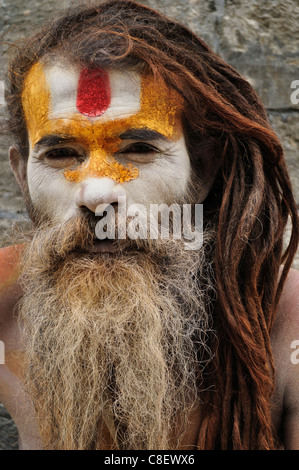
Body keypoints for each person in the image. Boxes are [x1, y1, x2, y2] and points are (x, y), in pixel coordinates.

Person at [0, 0, 298, 451]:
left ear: (202, 170)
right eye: (61, 154)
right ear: (22, 175)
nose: (97, 195)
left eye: (138, 148)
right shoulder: (6, 295)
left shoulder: (282, 318)